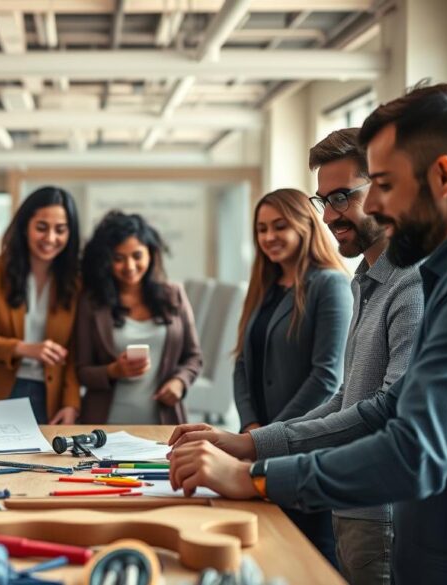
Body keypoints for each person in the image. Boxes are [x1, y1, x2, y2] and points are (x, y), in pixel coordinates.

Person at [167, 83, 447, 584]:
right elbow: (385, 407)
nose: (378, 206)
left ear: (444, 175)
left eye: (383, 185)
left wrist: (254, 478)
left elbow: (416, 450)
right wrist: (252, 449)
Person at [171, 129, 425, 585]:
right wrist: (248, 439)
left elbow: (383, 411)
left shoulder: (412, 284)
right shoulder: (364, 280)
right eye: (324, 200)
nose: (330, 214)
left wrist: (254, 453)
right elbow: (348, 395)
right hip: (348, 503)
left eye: (343, 197)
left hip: (379, 511)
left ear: (386, 188)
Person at [231, 188, 351, 566]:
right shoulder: (264, 286)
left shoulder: (329, 284)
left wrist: (265, 437)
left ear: (306, 225)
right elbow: (241, 363)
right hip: (259, 439)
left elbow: (326, 378)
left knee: (308, 556)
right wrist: (251, 427)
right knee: (270, 549)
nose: (268, 237)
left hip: (304, 447)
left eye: (280, 226)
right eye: (262, 229)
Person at [0, 186, 82, 424]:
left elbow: (75, 352)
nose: (50, 238)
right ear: (25, 227)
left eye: (60, 230)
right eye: (41, 227)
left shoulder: (76, 281)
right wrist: (24, 348)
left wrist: (72, 403)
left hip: (49, 397)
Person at [74, 211, 202, 425]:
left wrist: (179, 383)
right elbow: (81, 370)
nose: (130, 266)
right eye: (118, 258)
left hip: (164, 422)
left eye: (137, 255)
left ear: (150, 254)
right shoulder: (92, 303)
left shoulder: (174, 295)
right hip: (104, 424)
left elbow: (194, 357)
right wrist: (113, 370)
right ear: (106, 261)